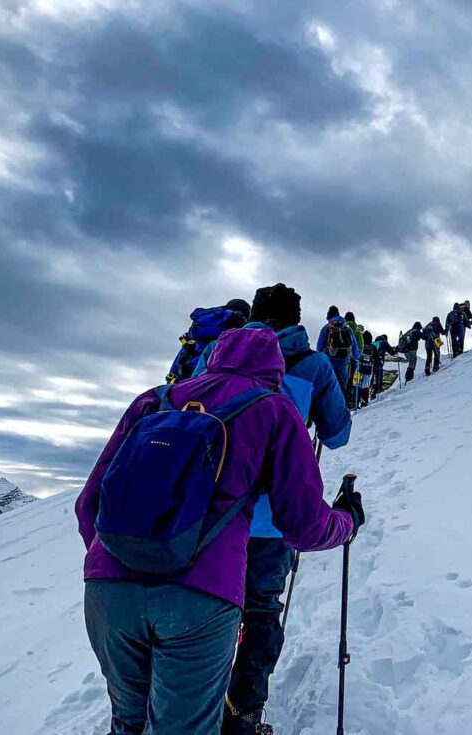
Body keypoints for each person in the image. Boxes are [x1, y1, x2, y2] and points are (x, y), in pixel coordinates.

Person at [75, 327, 364, 735]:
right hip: (199, 597)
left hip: (108, 589)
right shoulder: (274, 409)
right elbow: (303, 526)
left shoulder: (153, 400)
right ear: (275, 367)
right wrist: (346, 522)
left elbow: (88, 504)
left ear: (214, 354)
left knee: (128, 722)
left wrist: (123, 562)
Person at [218, 284, 352, 733]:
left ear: (254, 314)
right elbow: (337, 435)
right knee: (259, 611)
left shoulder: (218, 354)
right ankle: (243, 716)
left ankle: (192, 704)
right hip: (274, 517)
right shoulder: (313, 364)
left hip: (210, 515)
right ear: (298, 319)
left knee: (209, 606)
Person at [166, 299, 251, 383]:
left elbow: (176, 367)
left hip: (181, 383)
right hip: (207, 385)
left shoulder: (199, 328)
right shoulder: (233, 332)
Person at [316, 306, 359, 401]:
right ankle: (342, 406)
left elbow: (319, 347)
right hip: (344, 360)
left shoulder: (326, 328)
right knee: (342, 385)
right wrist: (356, 357)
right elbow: (354, 345)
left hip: (329, 359)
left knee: (329, 384)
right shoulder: (346, 328)